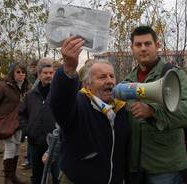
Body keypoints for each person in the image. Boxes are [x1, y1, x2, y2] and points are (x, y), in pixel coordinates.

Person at [49, 36, 130, 184]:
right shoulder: (78, 105)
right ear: (87, 84)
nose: (109, 81)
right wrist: (68, 68)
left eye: (112, 76)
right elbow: (58, 103)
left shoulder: (122, 109)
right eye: (102, 77)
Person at [124, 25, 187, 184]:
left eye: (147, 44)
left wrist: (153, 111)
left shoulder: (173, 74)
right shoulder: (128, 80)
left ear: (157, 46)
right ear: (132, 49)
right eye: (138, 45)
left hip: (165, 167)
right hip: (135, 166)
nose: (143, 49)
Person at [19, 58, 58, 184]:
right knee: (37, 176)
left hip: (54, 143)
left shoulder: (59, 94)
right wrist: (28, 130)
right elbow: (21, 115)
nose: (48, 76)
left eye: (51, 73)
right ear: (39, 74)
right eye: (45, 73)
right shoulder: (30, 95)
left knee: (57, 177)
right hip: (35, 143)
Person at [0, 62, 29, 184]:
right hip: (6, 122)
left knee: (17, 148)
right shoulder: (2, 86)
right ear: (12, 73)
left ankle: (12, 176)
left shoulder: (26, 87)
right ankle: (7, 178)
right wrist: (0, 116)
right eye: (18, 72)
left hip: (19, 122)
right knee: (10, 148)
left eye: (23, 72)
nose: (21, 75)